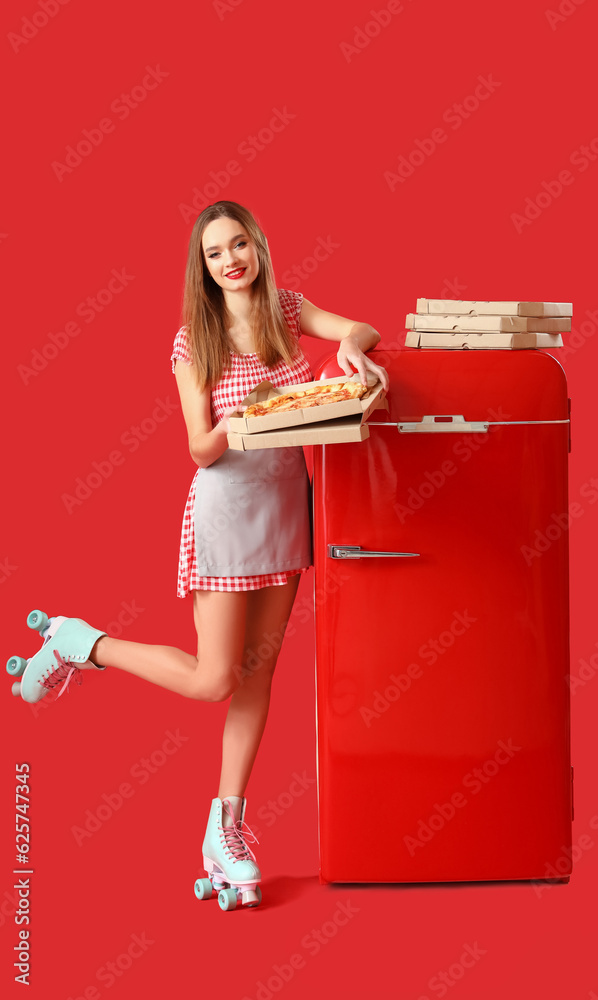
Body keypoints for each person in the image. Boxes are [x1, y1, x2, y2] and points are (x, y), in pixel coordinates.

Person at [7, 199, 389, 910]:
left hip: (285, 510)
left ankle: (227, 827)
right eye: (215, 253)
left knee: (257, 677)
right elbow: (198, 447)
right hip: (226, 511)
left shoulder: (285, 306)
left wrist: (351, 350)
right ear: (203, 268)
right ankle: (79, 642)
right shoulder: (193, 340)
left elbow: (359, 326)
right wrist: (249, 419)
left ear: (257, 246)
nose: (230, 260)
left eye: (238, 244)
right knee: (215, 679)